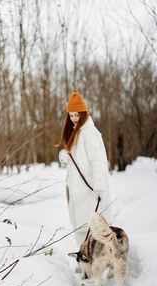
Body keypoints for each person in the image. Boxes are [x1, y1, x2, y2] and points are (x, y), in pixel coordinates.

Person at [57, 91, 112, 248]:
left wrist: (100, 186)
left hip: (89, 189)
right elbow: (76, 157)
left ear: (84, 113)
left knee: (96, 228)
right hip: (75, 189)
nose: (74, 118)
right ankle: (85, 262)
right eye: (71, 115)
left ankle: (105, 263)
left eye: (77, 115)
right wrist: (65, 156)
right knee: (80, 227)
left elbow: (98, 162)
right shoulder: (76, 132)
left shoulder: (89, 133)